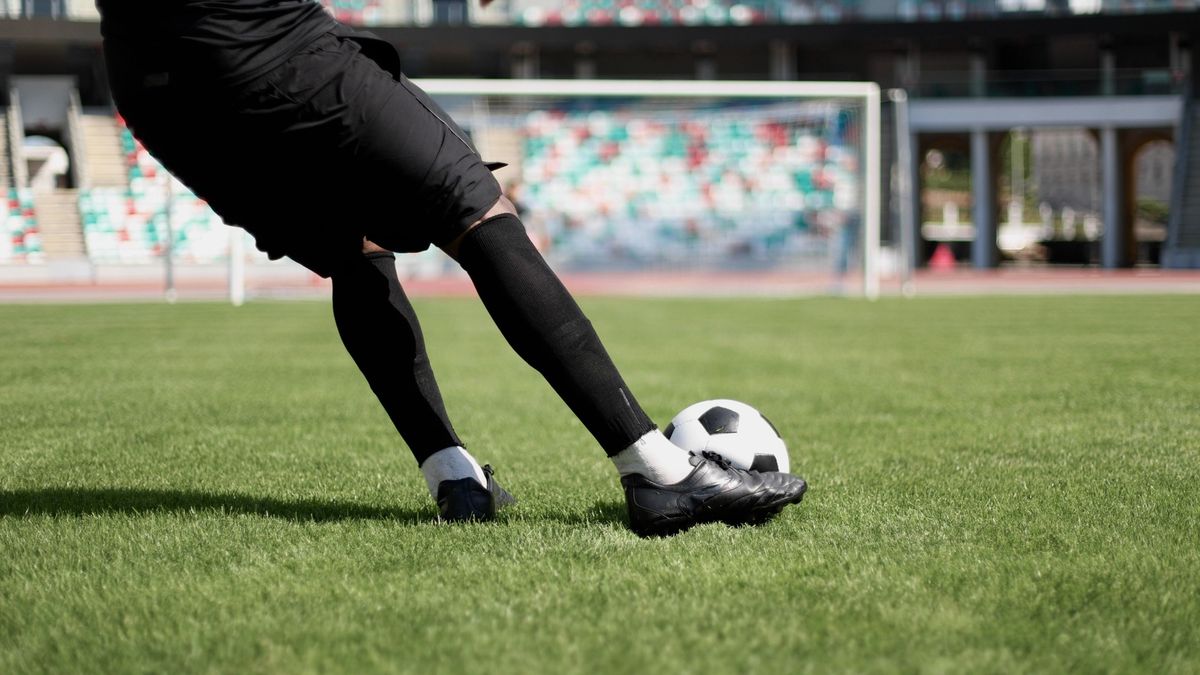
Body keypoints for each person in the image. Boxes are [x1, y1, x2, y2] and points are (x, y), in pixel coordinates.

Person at [96, 0, 807, 536]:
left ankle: (456, 481)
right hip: (258, 38)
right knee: (477, 208)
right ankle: (662, 474)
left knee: (356, 245)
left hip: (156, 90)